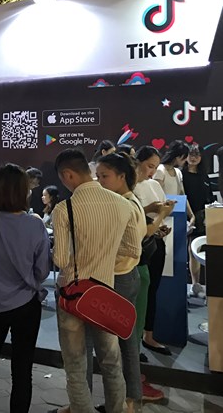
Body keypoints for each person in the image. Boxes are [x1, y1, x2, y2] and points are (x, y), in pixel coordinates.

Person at [51, 149, 142, 413]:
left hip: (71, 294)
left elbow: (60, 260)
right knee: (111, 360)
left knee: (75, 363)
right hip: (105, 292)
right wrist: (104, 255)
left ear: (68, 175)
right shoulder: (122, 204)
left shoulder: (64, 208)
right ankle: (116, 409)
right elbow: (133, 250)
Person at [0, 164, 51, 413]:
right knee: (22, 369)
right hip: (26, 305)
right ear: (24, 190)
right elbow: (43, 271)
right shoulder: (35, 225)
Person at [93, 153, 157, 412]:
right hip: (126, 276)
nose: (100, 181)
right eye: (98, 176)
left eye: (104, 176)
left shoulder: (124, 205)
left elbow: (130, 248)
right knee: (125, 342)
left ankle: (124, 402)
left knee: (114, 346)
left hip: (118, 277)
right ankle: (129, 399)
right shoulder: (130, 202)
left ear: (122, 176)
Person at [133, 146, 174, 357]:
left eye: (155, 167)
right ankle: (133, 344)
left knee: (151, 291)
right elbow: (135, 217)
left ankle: (147, 336)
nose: (152, 172)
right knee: (137, 294)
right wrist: (155, 212)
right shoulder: (129, 187)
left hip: (154, 242)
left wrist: (160, 224)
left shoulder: (154, 185)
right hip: (137, 246)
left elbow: (158, 215)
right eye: (149, 166)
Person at [182, 144, 214, 298]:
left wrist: (207, 215)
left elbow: (209, 197)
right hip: (183, 215)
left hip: (200, 217)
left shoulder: (203, 175)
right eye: (191, 154)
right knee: (180, 250)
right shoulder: (180, 174)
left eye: (197, 155)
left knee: (194, 250)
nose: (193, 158)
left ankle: (196, 284)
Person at [154, 140, 194, 224]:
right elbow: (157, 196)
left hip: (176, 214)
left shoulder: (178, 172)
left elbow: (182, 195)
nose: (186, 160)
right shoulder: (160, 170)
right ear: (179, 156)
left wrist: (191, 215)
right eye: (185, 157)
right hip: (162, 216)